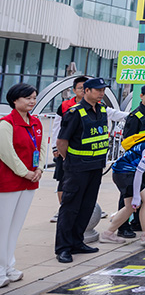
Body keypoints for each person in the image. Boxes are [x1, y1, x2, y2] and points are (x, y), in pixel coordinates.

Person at [54, 77, 111, 263]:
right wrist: (69, 160)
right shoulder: (74, 112)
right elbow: (62, 142)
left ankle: (77, 242)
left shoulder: (101, 110)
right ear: (86, 91)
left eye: (103, 90)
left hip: (96, 166)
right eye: (98, 90)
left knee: (87, 207)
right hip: (77, 167)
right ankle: (63, 248)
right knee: (70, 208)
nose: (101, 93)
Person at [0, 83, 48, 286]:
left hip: (29, 182)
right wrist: (25, 172)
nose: (32, 101)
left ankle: (8, 266)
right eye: (28, 98)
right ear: (14, 100)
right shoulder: (6, 124)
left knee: (15, 227)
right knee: (3, 227)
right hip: (9, 182)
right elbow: (7, 153)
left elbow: (42, 148)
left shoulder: (36, 122)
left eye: (34, 98)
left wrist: (39, 169)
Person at [117, 84, 145, 238]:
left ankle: (138, 222)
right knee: (129, 193)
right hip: (134, 162)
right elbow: (127, 141)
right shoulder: (134, 116)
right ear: (141, 96)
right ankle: (122, 226)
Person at [50, 75, 88, 223]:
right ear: (74, 90)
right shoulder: (65, 106)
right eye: (80, 88)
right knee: (63, 180)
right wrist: (56, 148)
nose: (83, 91)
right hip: (65, 150)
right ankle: (62, 209)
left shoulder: (97, 106)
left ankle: (83, 209)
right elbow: (56, 127)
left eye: (86, 88)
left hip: (84, 152)